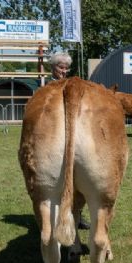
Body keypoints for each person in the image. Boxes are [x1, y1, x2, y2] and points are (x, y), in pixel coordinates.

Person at [49, 52, 90, 230]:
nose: (64, 72)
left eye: (66, 68)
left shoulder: (71, 85)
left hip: (74, 133)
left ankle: (78, 217)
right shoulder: (46, 87)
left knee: (80, 182)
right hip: (54, 135)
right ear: (53, 68)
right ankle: (57, 219)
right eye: (60, 68)